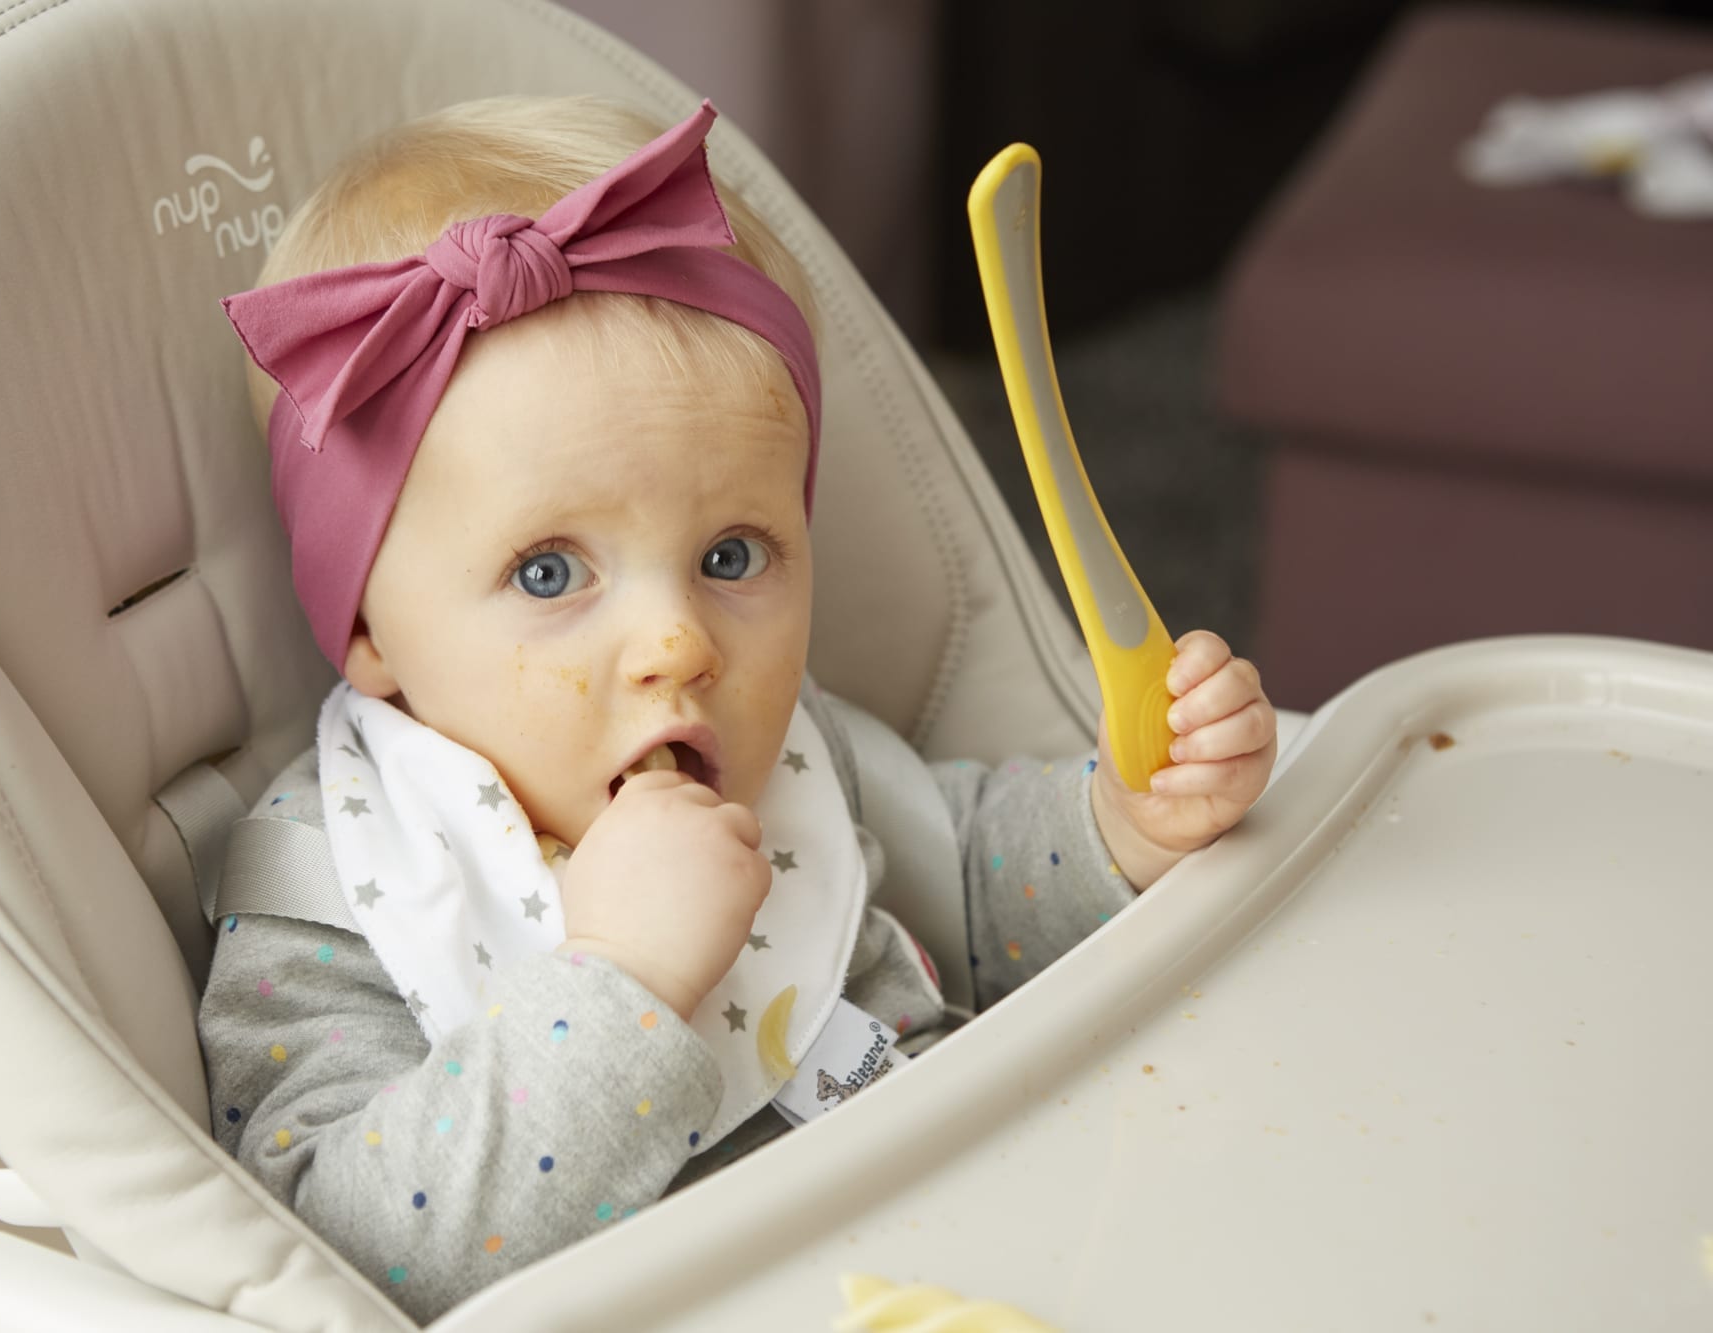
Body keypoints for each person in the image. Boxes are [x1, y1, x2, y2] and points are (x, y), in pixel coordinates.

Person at [198, 94, 1276, 1322]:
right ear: (369, 631)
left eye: (729, 557)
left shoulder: (792, 759)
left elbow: (963, 888)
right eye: (548, 572)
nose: (676, 642)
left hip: (999, 1239)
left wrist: (1120, 826)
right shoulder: (335, 890)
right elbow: (346, 1258)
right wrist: (615, 981)